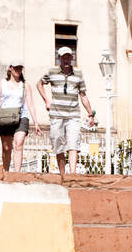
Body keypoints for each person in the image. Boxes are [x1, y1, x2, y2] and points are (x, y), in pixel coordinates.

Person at [37, 46, 96, 174]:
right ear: (59, 58)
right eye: (64, 57)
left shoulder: (78, 74)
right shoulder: (52, 72)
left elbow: (83, 95)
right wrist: (46, 100)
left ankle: (72, 174)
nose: (66, 60)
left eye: (68, 57)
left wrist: (90, 114)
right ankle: (63, 174)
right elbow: (39, 84)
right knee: (57, 143)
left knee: (73, 143)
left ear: (72, 58)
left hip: (73, 115)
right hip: (56, 115)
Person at [0, 62, 33, 172]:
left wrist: (36, 122)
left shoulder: (25, 85)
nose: (18, 70)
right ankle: (6, 172)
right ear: (10, 68)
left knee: (18, 144)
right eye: (16, 67)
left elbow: (31, 104)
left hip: (21, 117)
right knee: (7, 148)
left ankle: (17, 174)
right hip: (5, 117)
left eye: (20, 68)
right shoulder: (2, 83)